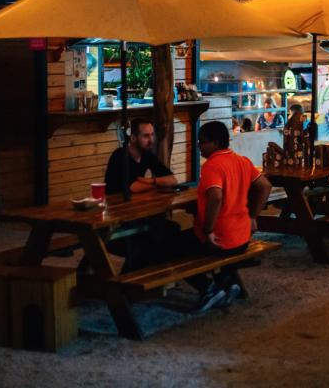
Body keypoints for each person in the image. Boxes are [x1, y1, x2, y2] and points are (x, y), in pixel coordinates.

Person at [170, 121, 273, 311]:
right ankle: (228, 282)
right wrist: (252, 216)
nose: (199, 146)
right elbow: (265, 186)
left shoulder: (212, 166)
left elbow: (215, 197)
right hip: (242, 238)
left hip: (219, 239)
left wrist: (208, 230)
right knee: (186, 241)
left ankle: (208, 289)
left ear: (215, 143)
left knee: (171, 248)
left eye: (202, 142)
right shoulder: (242, 161)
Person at [102, 118, 178, 271]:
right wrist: (154, 184)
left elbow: (173, 180)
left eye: (152, 135)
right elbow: (134, 187)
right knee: (155, 236)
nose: (151, 140)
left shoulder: (147, 155)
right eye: (146, 136)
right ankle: (131, 280)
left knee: (171, 230)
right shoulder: (120, 156)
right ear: (133, 138)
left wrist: (150, 182)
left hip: (137, 212)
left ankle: (152, 275)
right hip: (116, 215)